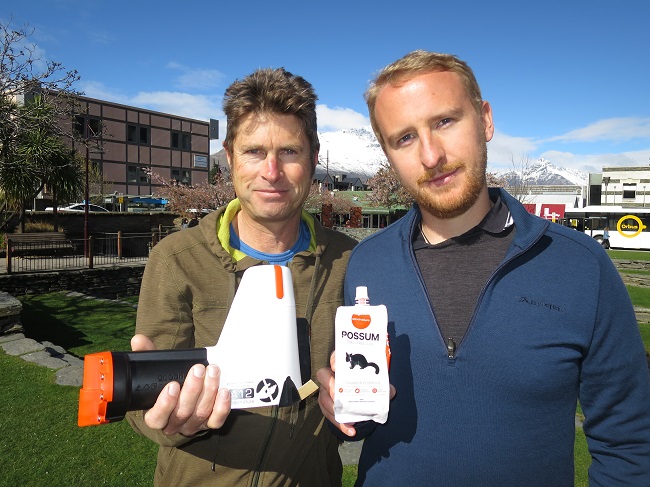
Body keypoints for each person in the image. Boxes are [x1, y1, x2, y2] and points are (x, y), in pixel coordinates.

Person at [317, 50, 650, 486]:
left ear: (485, 120)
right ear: (388, 154)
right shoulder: (367, 263)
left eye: (445, 122)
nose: (431, 155)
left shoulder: (582, 267)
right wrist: (341, 402)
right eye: (404, 138)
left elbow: (627, 444)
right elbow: (363, 421)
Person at [127, 67, 357, 486]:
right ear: (230, 158)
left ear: (314, 158)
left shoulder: (349, 260)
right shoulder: (177, 259)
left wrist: (356, 398)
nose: (272, 171)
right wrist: (167, 418)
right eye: (254, 152)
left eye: (289, 151)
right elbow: (146, 403)